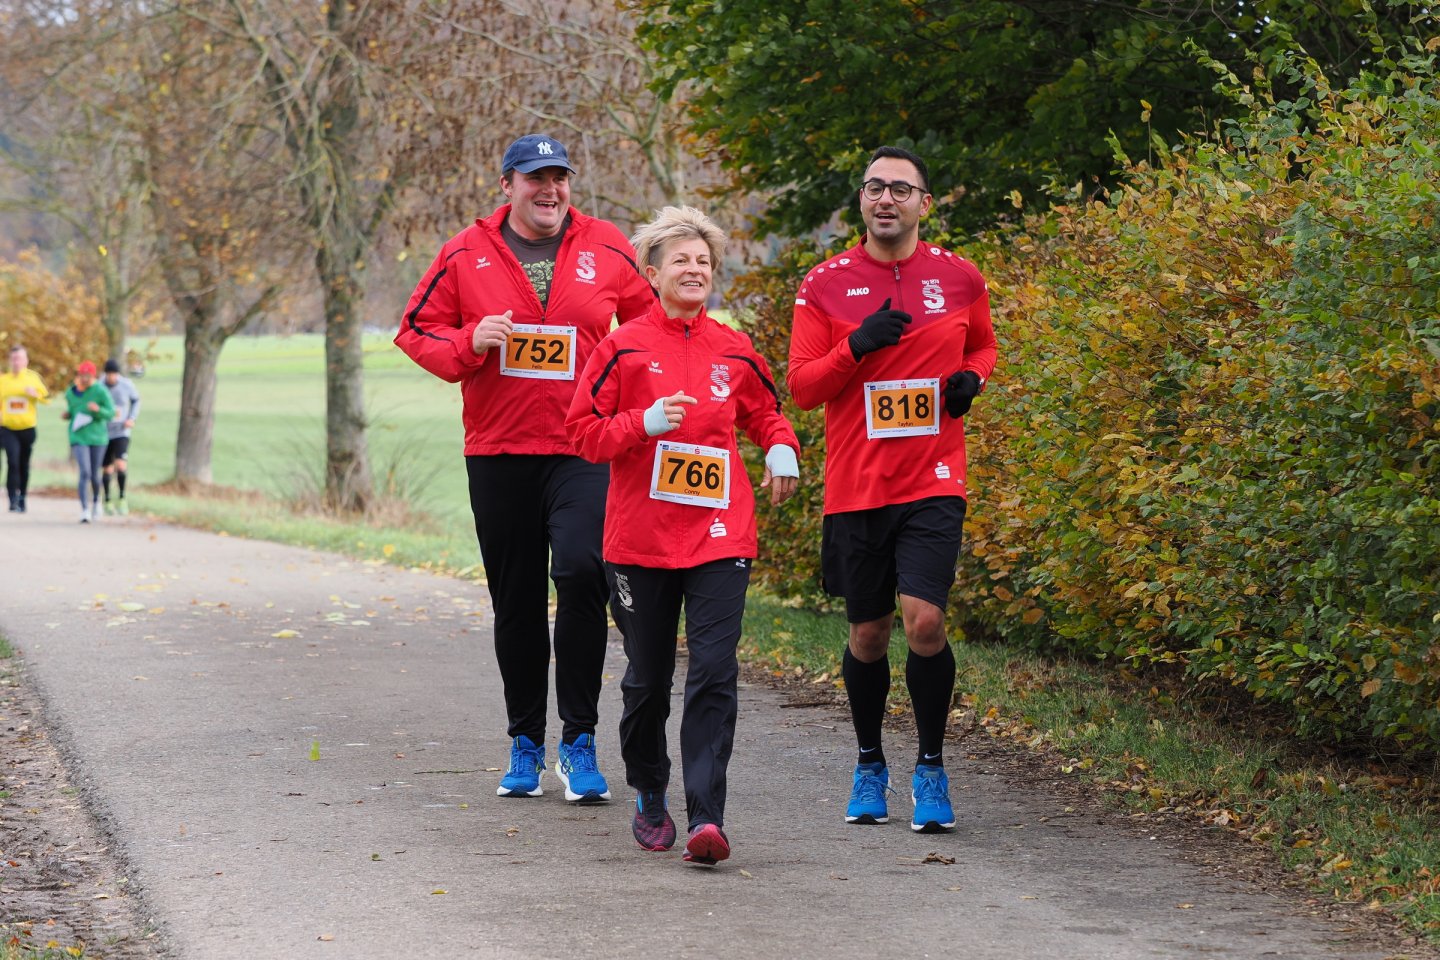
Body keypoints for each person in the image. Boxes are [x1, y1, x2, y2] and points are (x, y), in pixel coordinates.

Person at [395, 134, 655, 804]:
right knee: (516, 601)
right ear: (507, 184)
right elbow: (414, 330)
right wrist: (468, 341)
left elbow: (650, 328)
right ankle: (525, 742)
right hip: (500, 451)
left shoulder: (607, 246)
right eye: (536, 178)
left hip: (582, 448)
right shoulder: (465, 252)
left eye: (559, 178)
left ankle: (578, 741)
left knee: (583, 571)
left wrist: (638, 406)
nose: (550, 190)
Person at [566, 205, 800, 866]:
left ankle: (707, 817)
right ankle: (649, 788)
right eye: (681, 261)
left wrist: (781, 448)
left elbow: (766, 413)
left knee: (715, 671)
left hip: (720, 534)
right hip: (640, 540)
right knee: (648, 679)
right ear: (652, 273)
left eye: (703, 261)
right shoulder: (622, 347)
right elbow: (582, 434)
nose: (694, 270)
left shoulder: (734, 348)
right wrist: (642, 423)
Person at [787, 145, 998, 833]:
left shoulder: (960, 276)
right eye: (874, 187)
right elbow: (803, 387)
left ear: (924, 204)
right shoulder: (824, 284)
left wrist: (972, 381)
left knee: (925, 621)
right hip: (858, 485)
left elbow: (984, 346)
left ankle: (931, 768)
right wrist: (856, 346)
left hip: (934, 478)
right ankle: (870, 761)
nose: (886, 198)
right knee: (870, 634)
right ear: (861, 201)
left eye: (900, 189)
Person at [62, 360, 116, 524]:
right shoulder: (72, 391)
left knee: (94, 473)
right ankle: (85, 509)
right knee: (84, 471)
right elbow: (73, 409)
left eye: (87, 376)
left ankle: (96, 501)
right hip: (79, 436)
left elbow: (111, 413)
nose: (84, 379)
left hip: (98, 438)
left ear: (93, 376)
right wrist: (67, 414)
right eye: (82, 375)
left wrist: (98, 410)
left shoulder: (100, 391)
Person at [0, 344, 49, 514]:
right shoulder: (3, 381)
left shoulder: (33, 379)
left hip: (27, 428)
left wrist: (36, 395)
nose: (16, 362)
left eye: (20, 358)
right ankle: (12, 498)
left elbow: (46, 397)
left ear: (26, 361)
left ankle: (23, 497)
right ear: (10, 361)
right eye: (14, 358)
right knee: (12, 461)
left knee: (23, 464)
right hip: (8, 428)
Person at [100, 358, 141, 516]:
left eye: (114, 374)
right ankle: (107, 499)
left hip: (122, 430)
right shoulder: (99, 385)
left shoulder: (126, 385)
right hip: (104, 431)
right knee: (107, 468)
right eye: (109, 374)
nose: (112, 377)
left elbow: (136, 400)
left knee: (121, 464)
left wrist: (132, 418)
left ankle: (122, 498)